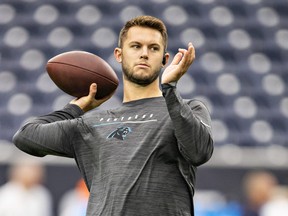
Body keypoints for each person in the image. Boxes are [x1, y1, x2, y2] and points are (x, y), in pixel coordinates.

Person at [13, 15, 214, 215]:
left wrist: (170, 88)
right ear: (119, 54)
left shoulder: (186, 109)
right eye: (136, 46)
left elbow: (199, 152)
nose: (144, 54)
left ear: (165, 59)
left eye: (153, 48)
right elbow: (26, 136)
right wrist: (75, 109)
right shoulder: (91, 123)